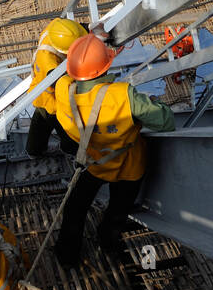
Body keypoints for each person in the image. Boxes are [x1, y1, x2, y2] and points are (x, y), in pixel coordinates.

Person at [52, 33, 175, 268]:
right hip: (128, 165)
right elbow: (165, 121)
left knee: (75, 209)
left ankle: (67, 255)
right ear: (105, 65)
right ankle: (108, 241)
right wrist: (150, 102)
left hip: (92, 163)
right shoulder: (122, 96)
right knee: (119, 209)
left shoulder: (62, 90)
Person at [26, 17, 87, 158]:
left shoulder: (57, 28)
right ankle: (69, 148)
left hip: (43, 95)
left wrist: (89, 28)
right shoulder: (49, 64)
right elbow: (63, 85)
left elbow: (73, 31)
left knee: (40, 124)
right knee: (64, 125)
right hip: (51, 98)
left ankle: (34, 150)